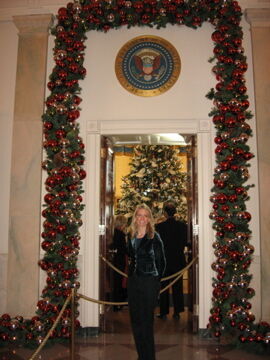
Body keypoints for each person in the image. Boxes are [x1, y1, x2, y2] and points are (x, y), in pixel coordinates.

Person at [127, 204, 166, 360]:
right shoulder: (130, 236)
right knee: (136, 320)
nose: (142, 218)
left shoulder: (154, 237)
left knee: (146, 321)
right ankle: (141, 355)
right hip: (133, 282)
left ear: (149, 219)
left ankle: (149, 357)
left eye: (145, 216)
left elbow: (161, 262)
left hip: (149, 282)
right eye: (139, 215)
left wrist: (156, 282)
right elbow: (131, 258)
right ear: (135, 218)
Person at [155, 201, 188, 320]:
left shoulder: (159, 227)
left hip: (164, 262)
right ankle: (177, 312)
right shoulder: (183, 226)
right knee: (177, 287)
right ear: (175, 212)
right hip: (178, 260)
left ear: (164, 213)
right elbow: (185, 243)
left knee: (163, 287)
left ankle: (163, 312)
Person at [111, 214, 128, 311]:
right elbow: (123, 249)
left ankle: (117, 303)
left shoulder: (114, 233)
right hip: (119, 261)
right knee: (119, 282)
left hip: (116, 261)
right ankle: (117, 304)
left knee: (117, 282)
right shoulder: (120, 234)